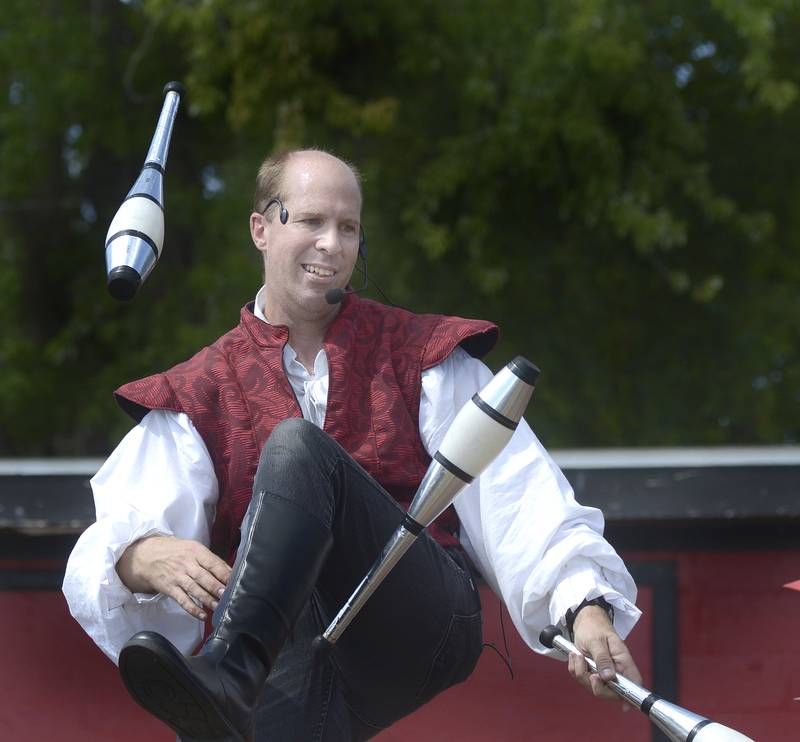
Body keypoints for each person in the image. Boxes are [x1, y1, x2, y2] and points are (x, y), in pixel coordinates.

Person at [63, 148, 643, 742]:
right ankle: (233, 685)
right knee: (223, 728)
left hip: (416, 624)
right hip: (296, 651)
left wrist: (583, 604)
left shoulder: (422, 356)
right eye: (312, 221)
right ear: (261, 228)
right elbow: (107, 540)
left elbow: (516, 494)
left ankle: (232, 671)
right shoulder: (198, 391)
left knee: (296, 449)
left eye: (348, 229)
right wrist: (138, 557)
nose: (332, 245)